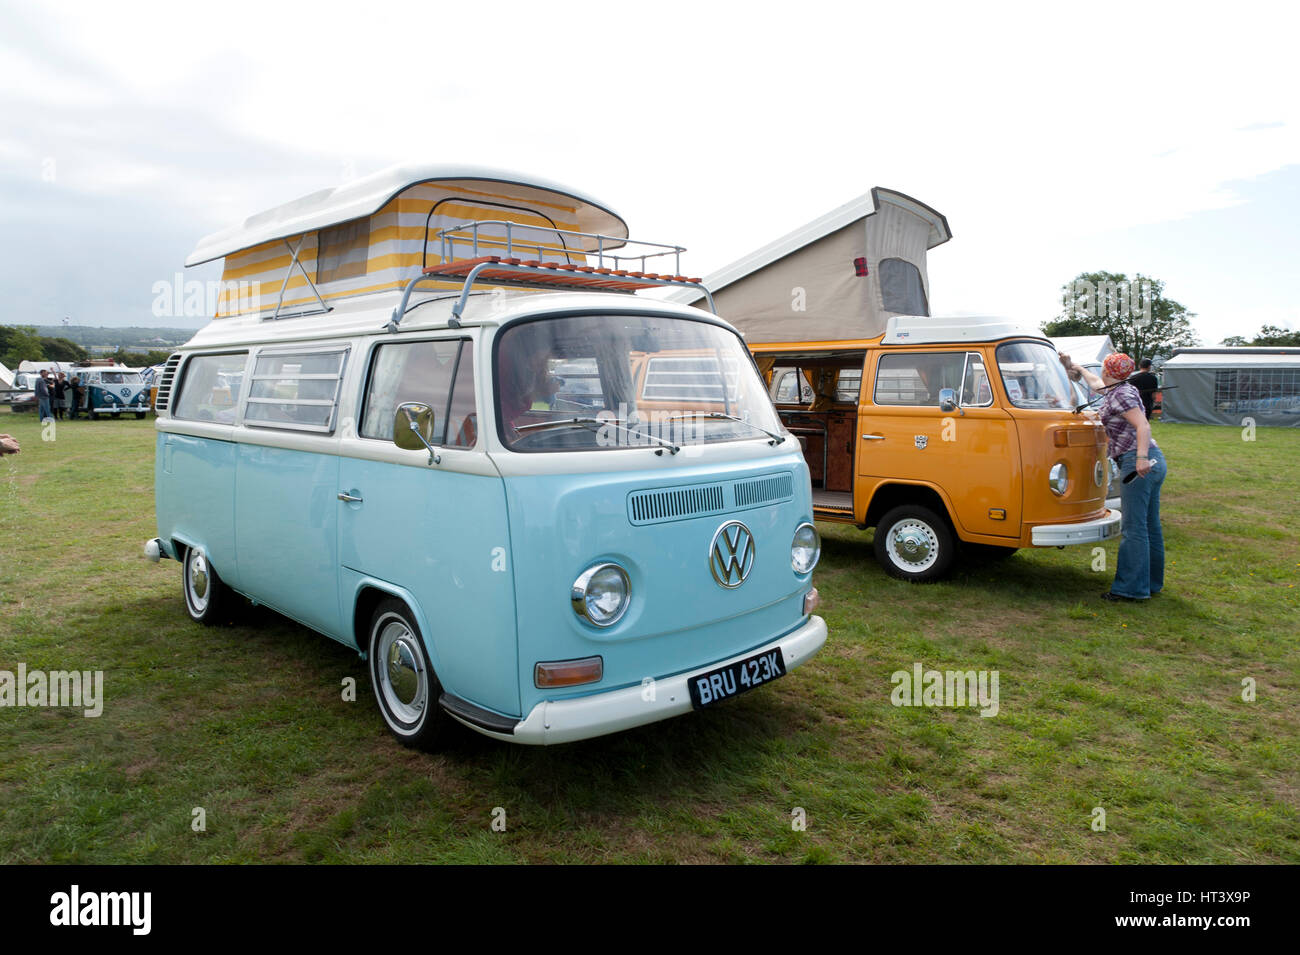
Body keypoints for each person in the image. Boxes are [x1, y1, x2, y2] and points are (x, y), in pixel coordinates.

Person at [1060, 351, 1166, 601]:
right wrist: (1075, 366)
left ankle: (1130, 590)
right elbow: (1095, 383)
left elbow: (1143, 425)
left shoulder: (1121, 395)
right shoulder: (1119, 389)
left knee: (1134, 528)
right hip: (1153, 460)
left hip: (1138, 462)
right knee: (1150, 526)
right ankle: (1151, 584)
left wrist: (1140, 459)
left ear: (1107, 371)